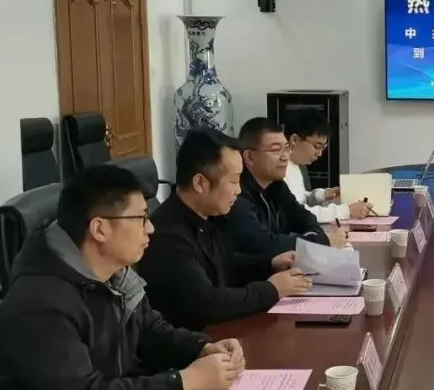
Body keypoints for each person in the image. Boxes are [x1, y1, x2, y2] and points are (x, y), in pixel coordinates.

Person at [0, 166, 245, 390]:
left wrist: (201, 347)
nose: (151, 228)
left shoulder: (114, 275)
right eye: (141, 218)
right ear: (99, 229)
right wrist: (183, 382)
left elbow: (150, 330)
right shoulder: (40, 303)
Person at [136, 129, 314, 331]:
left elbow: (225, 265)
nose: (238, 190)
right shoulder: (168, 236)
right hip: (194, 341)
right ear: (200, 183)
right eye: (234, 181)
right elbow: (208, 303)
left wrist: (270, 264)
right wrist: (272, 290)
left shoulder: (209, 216)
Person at [227, 117, 338, 256]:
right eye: (276, 150)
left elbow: (305, 218)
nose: (285, 157)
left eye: (286, 149)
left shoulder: (276, 184)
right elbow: (262, 244)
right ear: (249, 157)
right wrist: (319, 242)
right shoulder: (236, 193)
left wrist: (315, 238)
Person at [283, 109, 371, 222]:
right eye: (317, 146)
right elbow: (296, 213)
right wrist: (346, 211)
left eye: (323, 147)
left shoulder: (298, 166)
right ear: (294, 140)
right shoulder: (276, 171)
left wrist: (325, 194)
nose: (319, 154)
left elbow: (300, 199)